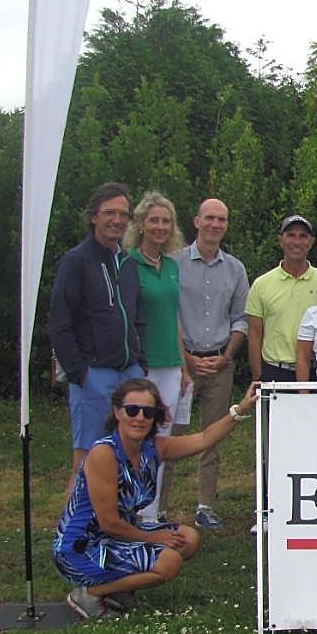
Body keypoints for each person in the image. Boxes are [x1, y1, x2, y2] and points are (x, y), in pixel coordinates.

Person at [53, 377, 259, 619]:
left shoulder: (154, 447)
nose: (139, 417)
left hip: (119, 534)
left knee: (188, 538)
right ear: (117, 412)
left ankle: (120, 587)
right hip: (83, 545)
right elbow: (108, 522)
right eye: (132, 410)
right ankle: (90, 593)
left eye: (148, 412)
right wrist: (154, 537)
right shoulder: (104, 453)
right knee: (169, 561)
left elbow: (204, 439)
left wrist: (241, 409)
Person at [47, 182, 147, 499]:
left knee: (129, 455)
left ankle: (117, 527)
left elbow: (134, 317)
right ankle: (71, 535)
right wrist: (79, 373)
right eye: (110, 213)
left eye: (123, 214)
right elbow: (59, 323)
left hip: (129, 372)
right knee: (88, 457)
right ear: (93, 217)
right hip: (94, 372)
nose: (117, 220)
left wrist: (140, 363)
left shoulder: (129, 263)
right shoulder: (77, 261)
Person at [174, 198, 249, 530]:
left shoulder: (235, 268)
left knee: (213, 436)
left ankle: (205, 506)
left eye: (222, 219)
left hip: (220, 362)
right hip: (180, 364)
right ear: (196, 221)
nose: (215, 224)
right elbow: (169, 315)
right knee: (167, 436)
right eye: (210, 218)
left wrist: (226, 357)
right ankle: (156, 510)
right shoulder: (174, 264)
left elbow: (241, 320)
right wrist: (186, 360)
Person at [123, 191, 190, 524]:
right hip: (142, 367)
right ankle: (129, 512)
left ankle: (149, 516)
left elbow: (173, 317)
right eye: (155, 221)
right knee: (135, 439)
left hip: (171, 367)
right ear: (141, 224)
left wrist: (184, 365)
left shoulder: (171, 267)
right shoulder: (128, 265)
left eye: (166, 221)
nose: (161, 227)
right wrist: (137, 362)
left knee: (160, 442)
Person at [247, 214, 317, 383]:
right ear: (280, 240)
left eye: (303, 236)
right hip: (275, 372)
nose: (297, 242)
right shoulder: (261, 284)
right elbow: (254, 334)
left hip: (316, 372)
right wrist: (258, 377)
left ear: (311, 242)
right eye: (290, 235)